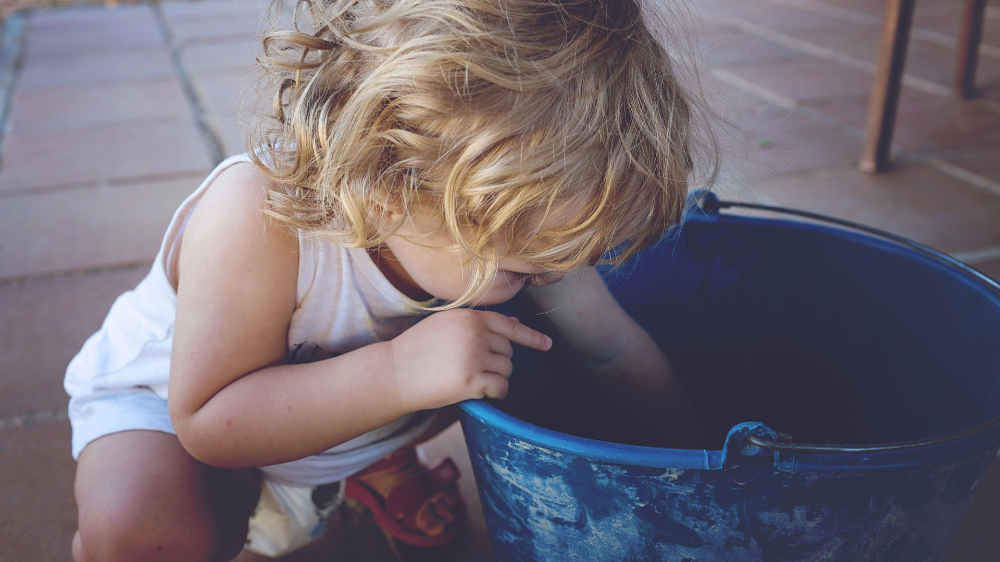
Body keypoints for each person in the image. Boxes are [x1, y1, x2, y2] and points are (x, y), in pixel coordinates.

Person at [65, 0, 715, 559]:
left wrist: (704, 469)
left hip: (346, 421)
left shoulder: (515, 223)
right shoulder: (256, 220)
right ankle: (366, 461)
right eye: (525, 265)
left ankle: (370, 461)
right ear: (387, 190)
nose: (552, 274)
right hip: (178, 414)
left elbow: (611, 352)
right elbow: (210, 421)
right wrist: (400, 374)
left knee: (532, 360)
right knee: (146, 537)